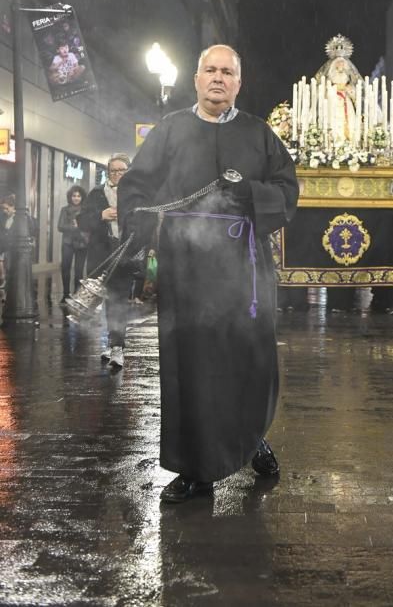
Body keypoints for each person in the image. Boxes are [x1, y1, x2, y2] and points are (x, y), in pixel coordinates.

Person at [118, 44, 299, 503]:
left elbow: (287, 190)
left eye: (228, 72)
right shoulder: (170, 130)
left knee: (249, 362)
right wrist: (137, 218)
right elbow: (136, 184)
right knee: (193, 369)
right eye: (210, 70)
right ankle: (197, 468)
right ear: (196, 79)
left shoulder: (260, 135)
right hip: (187, 271)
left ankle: (251, 437)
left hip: (246, 272)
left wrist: (250, 194)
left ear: (240, 82)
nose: (218, 78)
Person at [78, 154, 131, 368]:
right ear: (107, 172)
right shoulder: (96, 194)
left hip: (125, 253)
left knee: (118, 300)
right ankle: (111, 343)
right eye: (113, 171)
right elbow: (82, 221)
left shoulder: (136, 194)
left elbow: (148, 220)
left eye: (121, 170)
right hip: (101, 255)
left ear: (128, 172)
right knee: (103, 300)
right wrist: (102, 215)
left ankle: (117, 347)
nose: (117, 174)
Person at [57, 185, 88, 303]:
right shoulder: (65, 210)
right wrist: (76, 227)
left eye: (78, 196)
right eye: (74, 196)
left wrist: (79, 227)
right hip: (68, 243)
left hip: (82, 243)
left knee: (79, 270)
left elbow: (89, 227)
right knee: (65, 268)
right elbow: (60, 226)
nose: (76, 198)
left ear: (82, 197)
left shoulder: (86, 210)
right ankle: (65, 295)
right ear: (70, 197)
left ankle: (77, 294)